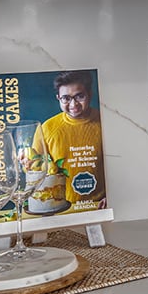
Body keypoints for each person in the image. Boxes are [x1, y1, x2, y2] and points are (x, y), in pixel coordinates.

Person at [29, 70, 106, 210]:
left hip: (100, 205)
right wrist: (26, 162)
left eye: (80, 96)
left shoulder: (106, 121)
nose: (73, 104)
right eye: (66, 98)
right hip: (61, 208)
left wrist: (113, 195)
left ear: (90, 94)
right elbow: (35, 170)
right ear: (58, 98)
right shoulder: (47, 128)